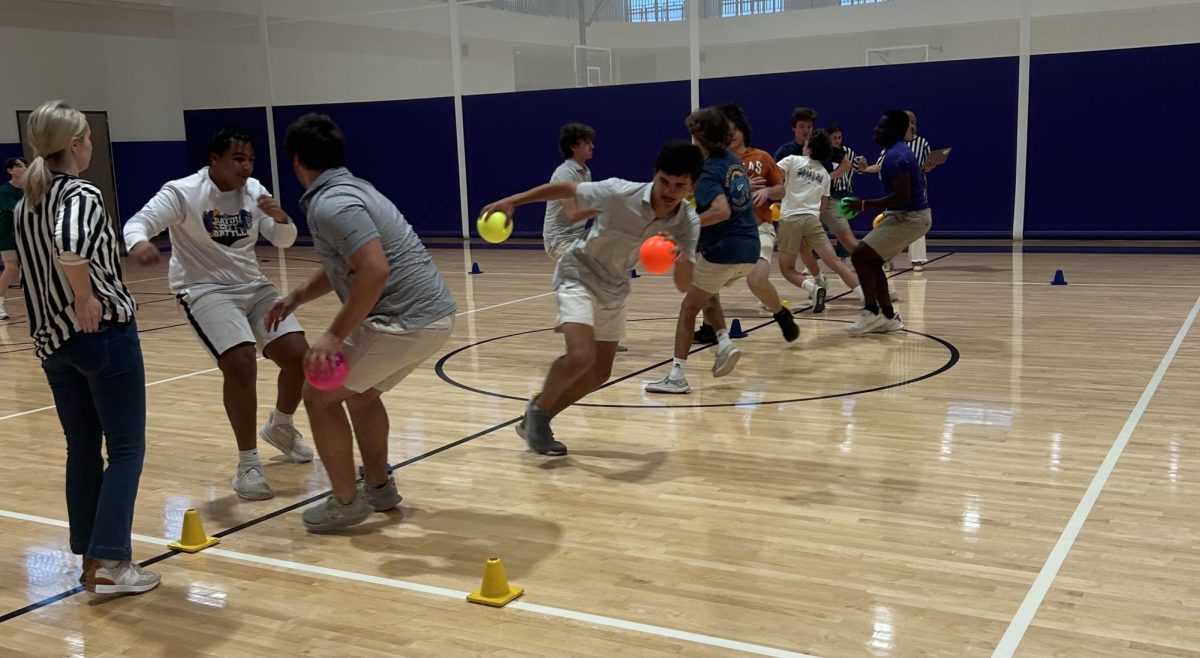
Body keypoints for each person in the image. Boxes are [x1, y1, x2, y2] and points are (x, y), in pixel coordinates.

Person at [269, 113, 457, 532]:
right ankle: (379, 488)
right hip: (433, 316)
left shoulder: (331, 203)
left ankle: (345, 503)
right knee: (361, 395)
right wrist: (297, 296)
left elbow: (373, 270)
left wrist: (334, 335)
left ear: (297, 160)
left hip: (404, 318)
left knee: (317, 395)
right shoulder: (353, 190)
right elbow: (347, 265)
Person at [15, 100, 159, 594]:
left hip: (52, 344)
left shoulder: (24, 202)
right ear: (76, 144)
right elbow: (70, 245)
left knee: (82, 448)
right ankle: (114, 564)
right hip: (101, 336)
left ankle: (91, 557)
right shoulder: (81, 192)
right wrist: (84, 296)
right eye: (89, 139)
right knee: (125, 450)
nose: (92, 146)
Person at [124, 127, 311, 501]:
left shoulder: (255, 191)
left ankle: (281, 426)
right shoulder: (183, 191)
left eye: (250, 160)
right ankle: (248, 465)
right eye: (237, 159)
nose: (246, 167)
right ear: (215, 161)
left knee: (300, 358)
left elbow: (283, 241)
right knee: (241, 362)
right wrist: (140, 243)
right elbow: (137, 223)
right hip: (203, 289)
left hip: (254, 287)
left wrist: (283, 219)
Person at [482, 141, 702, 455]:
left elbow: (683, 285)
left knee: (600, 372)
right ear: (655, 174)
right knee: (581, 356)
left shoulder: (687, 223)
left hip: (615, 288)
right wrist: (512, 201)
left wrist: (679, 256)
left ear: (691, 187)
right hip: (578, 274)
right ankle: (539, 415)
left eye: (679, 185)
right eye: (664, 180)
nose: (668, 190)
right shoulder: (618, 191)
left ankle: (537, 417)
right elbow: (567, 189)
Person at [646, 107, 789, 395]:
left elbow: (721, 211)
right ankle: (724, 343)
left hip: (726, 248)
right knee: (708, 291)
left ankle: (677, 376)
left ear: (700, 136)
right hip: (749, 247)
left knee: (688, 308)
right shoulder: (734, 161)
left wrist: (688, 225)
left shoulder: (708, 170)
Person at [692, 104, 797, 343]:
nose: (730, 136)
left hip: (757, 229)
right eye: (725, 131)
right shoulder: (713, 162)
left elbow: (781, 189)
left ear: (743, 132)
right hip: (725, 232)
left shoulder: (760, 157)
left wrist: (769, 190)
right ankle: (710, 327)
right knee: (708, 278)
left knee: (756, 279)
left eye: (734, 130)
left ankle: (781, 314)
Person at [842, 110, 931, 336]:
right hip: (903, 215)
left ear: (894, 131)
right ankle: (888, 317)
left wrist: (864, 205)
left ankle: (872, 313)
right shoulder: (891, 152)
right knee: (871, 261)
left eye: (881, 126)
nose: (876, 129)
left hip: (911, 217)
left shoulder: (897, 157)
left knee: (860, 256)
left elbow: (902, 196)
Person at [542, 123, 629, 353]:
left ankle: (603, 336)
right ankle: (567, 317)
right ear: (573, 147)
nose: (592, 146)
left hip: (578, 237)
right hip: (559, 239)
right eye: (586, 143)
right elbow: (572, 214)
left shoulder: (584, 171)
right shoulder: (564, 174)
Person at [774, 130, 862, 309]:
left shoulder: (792, 160)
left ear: (808, 148)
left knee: (787, 269)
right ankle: (866, 296)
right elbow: (823, 206)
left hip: (790, 219)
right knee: (836, 263)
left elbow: (773, 174)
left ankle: (813, 288)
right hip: (813, 220)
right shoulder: (824, 174)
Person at [0, 156, 27, 320]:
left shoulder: (30, 189)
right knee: (11, 268)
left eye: (25, 166)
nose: (23, 168)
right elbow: (14, 212)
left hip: (25, 235)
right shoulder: (5, 191)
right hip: (7, 234)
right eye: (19, 166)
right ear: (10, 170)